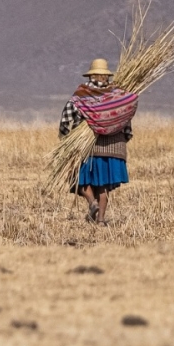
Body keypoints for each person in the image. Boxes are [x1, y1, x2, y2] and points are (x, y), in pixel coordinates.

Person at [59, 58, 135, 224]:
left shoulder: (81, 95)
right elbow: (126, 122)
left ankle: (92, 203)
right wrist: (123, 138)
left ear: (91, 76)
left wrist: (66, 139)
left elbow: (66, 119)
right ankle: (100, 220)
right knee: (104, 185)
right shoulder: (117, 95)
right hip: (114, 147)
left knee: (78, 178)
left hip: (88, 146)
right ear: (106, 76)